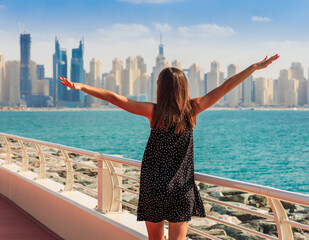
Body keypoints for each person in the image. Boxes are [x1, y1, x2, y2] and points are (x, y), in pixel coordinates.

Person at [59, 54, 279, 240]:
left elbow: (117, 99)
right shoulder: (193, 109)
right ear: (184, 88)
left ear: (160, 88)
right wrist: (255, 67)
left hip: (153, 187)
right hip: (181, 189)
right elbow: (226, 86)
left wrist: (82, 87)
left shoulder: (153, 112)